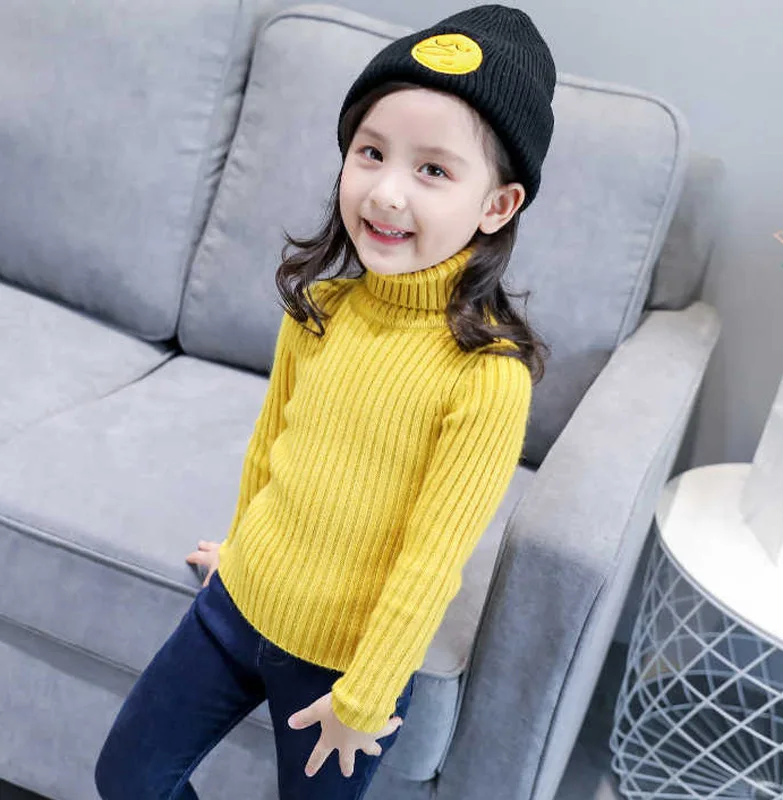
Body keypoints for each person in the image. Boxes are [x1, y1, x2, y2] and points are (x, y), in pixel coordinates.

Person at [94, 4, 557, 798]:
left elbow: (431, 562)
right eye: (371, 153)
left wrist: (365, 699)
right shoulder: (323, 307)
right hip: (237, 607)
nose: (386, 193)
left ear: (497, 206)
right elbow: (271, 447)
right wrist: (241, 550)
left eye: (433, 170)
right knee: (129, 775)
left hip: (342, 673)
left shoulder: (486, 377)